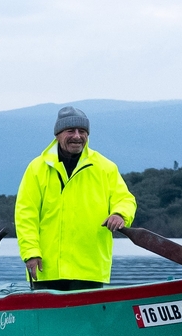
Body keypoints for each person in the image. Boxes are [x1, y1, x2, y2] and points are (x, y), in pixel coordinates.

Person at [14, 106, 137, 291]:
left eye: (82, 131)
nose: (77, 136)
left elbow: (126, 199)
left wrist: (120, 214)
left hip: (89, 269)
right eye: (70, 131)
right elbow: (25, 215)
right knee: (50, 320)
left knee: (88, 320)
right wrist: (31, 253)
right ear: (57, 134)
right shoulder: (36, 168)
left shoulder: (105, 167)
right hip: (46, 269)